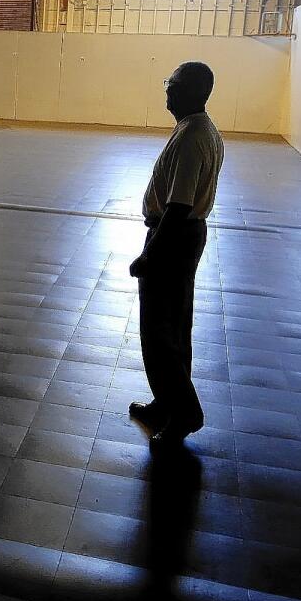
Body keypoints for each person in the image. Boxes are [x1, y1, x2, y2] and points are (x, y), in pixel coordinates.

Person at [128, 61, 224, 446]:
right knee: (173, 326)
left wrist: (151, 255)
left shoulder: (191, 137)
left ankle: (184, 413)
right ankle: (166, 403)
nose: (167, 90)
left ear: (193, 92)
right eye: (169, 82)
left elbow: (179, 205)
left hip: (173, 238)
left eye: (175, 85)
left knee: (159, 332)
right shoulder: (198, 128)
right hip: (184, 237)